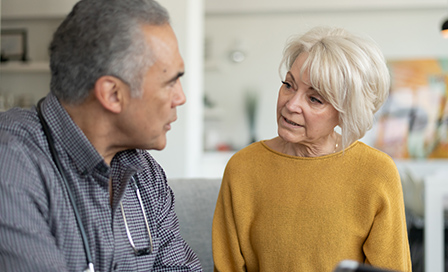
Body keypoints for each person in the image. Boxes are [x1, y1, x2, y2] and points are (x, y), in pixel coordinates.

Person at [0, 0, 202, 271]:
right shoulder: (10, 162)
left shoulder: (146, 173)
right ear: (112, 94)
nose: (181, 98)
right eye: (170, 82)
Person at [212, 26, 412, 272]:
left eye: (314, 99)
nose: (291, 104)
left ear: (345, 113)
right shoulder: (243, 167)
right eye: (289, 85)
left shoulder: (376, 172)